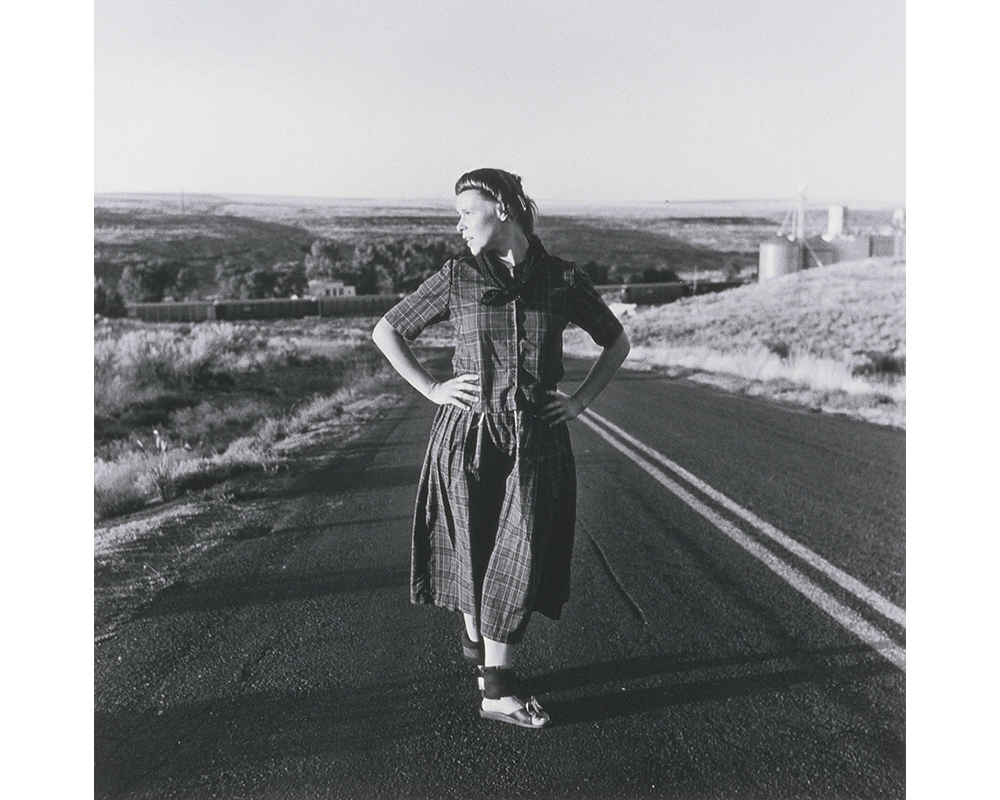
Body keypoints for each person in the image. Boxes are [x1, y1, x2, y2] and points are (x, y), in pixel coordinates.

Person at [372, 168, 630, 729]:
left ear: (504, 209)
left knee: (519, 555)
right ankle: (480, 649)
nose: (459, 225)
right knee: (473, 550)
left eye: (467, 212)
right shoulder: (457, 278)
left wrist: (581, 401)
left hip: (536, 440)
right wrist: (434, 389)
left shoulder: (561, 279)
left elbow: (617, 339)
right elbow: (387, 330)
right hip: (466, 436)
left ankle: (498, 688)